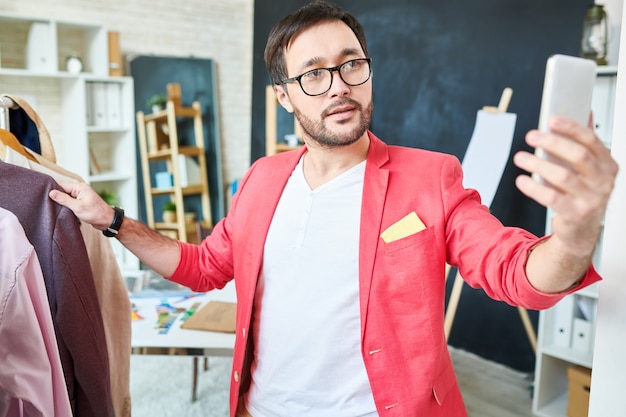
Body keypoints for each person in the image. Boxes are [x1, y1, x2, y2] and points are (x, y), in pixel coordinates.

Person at [49, 1, 618, 416]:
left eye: (351, 64)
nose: (339, 85)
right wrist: (114, 221)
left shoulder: (431, 176)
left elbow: (515, 273)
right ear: (284, 95)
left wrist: (573, 231)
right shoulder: (262, 179)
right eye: (314, 74)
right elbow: (203, 266)